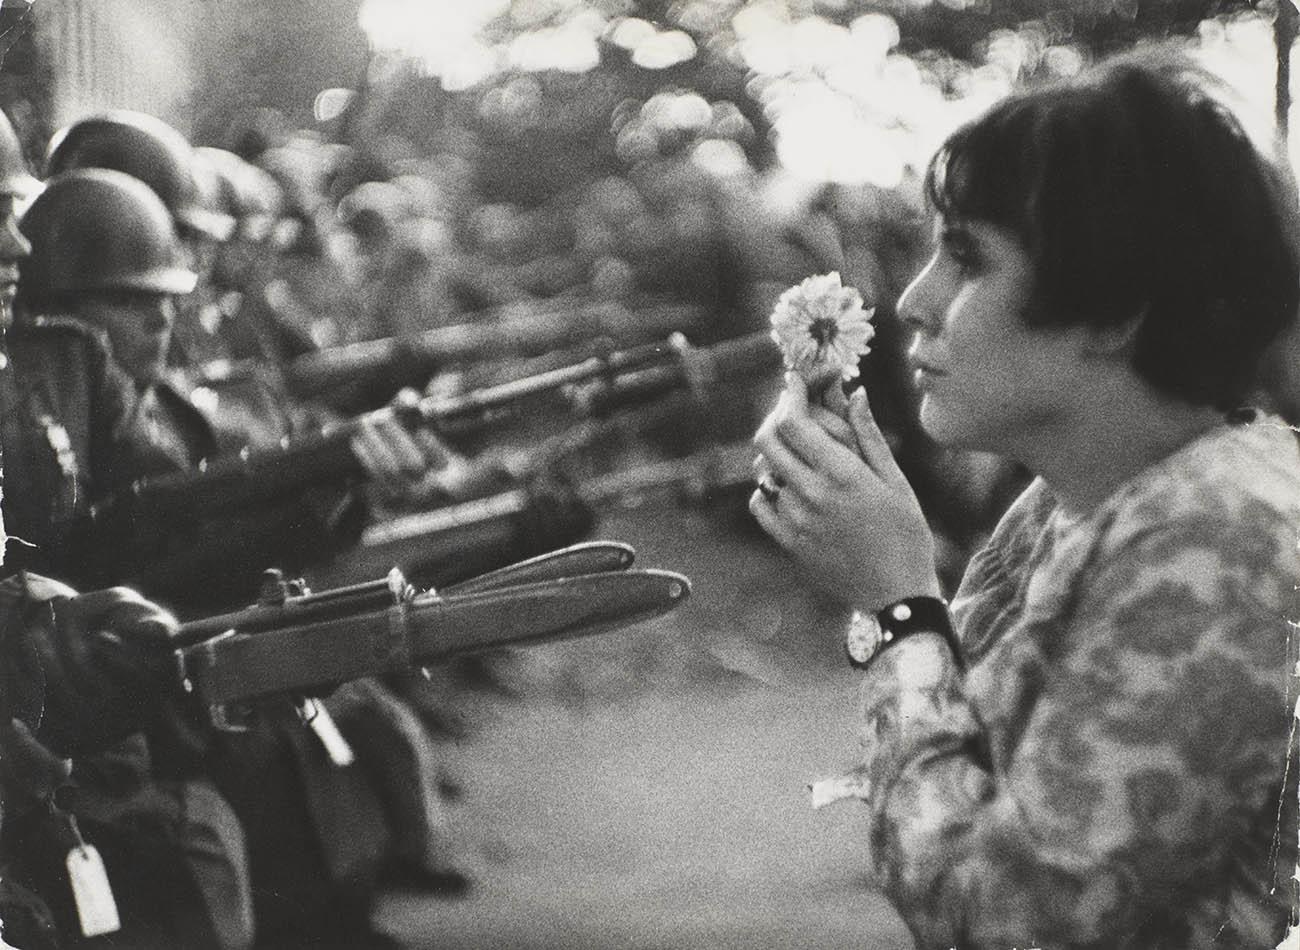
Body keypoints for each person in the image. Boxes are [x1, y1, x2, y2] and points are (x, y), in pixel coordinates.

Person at [751, 53, 1300, 949]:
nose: (916, 302)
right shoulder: (1071, 499)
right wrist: (888, 572)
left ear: (1117, 309)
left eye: (967, 258)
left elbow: (1005, 920)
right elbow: (964, 766)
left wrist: (894, 607)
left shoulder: (1221, 537)